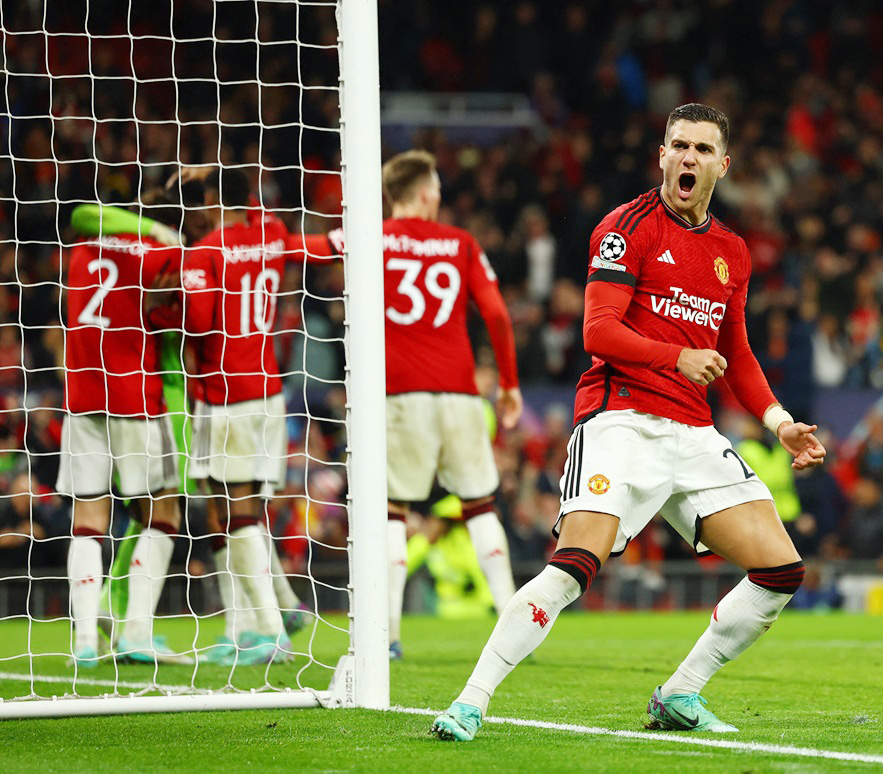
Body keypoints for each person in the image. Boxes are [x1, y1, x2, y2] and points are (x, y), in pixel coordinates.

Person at [431, 103, 826, 742]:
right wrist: (677, 355)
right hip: (621, 421)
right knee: (572, 566)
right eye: (679, 146)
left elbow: (739, 352)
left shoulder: (732, 251)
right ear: (662, 155)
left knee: (781, 569)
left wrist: (779, 421)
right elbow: (598, 330)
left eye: (702, 149)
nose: (689, 158)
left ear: (723, 165)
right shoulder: (626, 227)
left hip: (694, 433)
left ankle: (680, 692)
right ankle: (471, 701)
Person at [312, 150, 522, 660]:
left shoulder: (371, 235)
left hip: (399, 393)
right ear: (427, 193)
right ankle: (516, 626)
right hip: (460, 394)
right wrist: (509, 385)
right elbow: (495, 313)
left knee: (392, 512)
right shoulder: (460, 243)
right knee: (480, 506)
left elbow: (309, 249)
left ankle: (387, 637)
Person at [58, 191, 192, 667]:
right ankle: (135, 632)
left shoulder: (78, 252)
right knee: (164, 513)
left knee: (88, 522)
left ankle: (86, 640)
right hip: (135, 401)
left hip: (81, 401)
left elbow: (79, 213)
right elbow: (184, 286)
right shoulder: (154, 253)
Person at [179, 167, 293, 664]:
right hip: (268, 391)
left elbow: (199, 324)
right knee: (227, 510)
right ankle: (245, 624)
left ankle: (270, 631)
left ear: (207, 201)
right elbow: (271, 222)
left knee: (236, 509)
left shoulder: (205, 252)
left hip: (223, 395)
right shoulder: (272, 234)